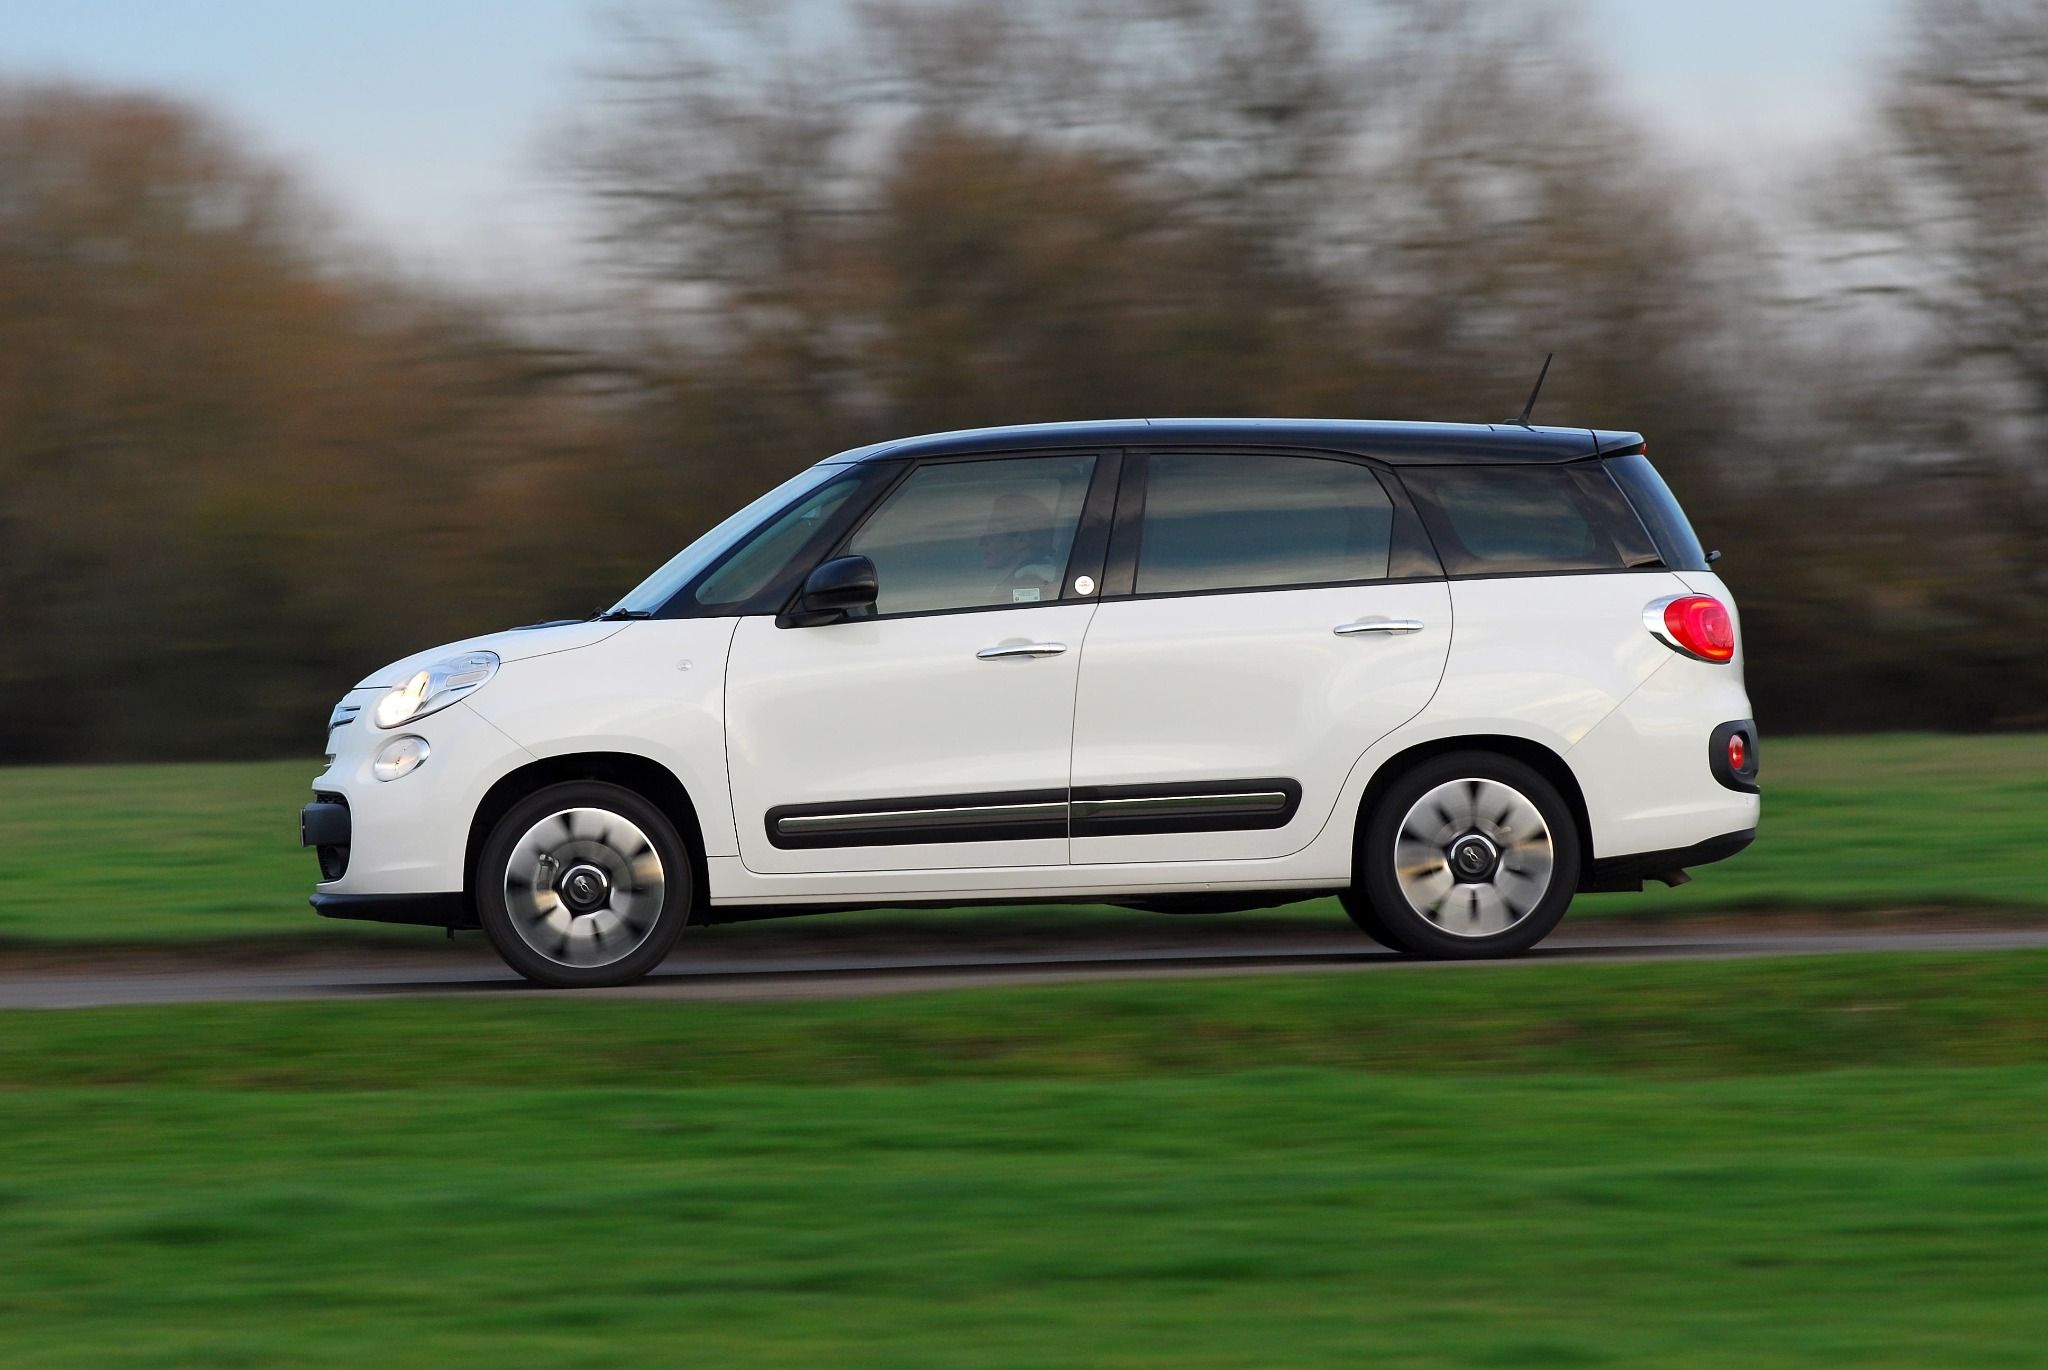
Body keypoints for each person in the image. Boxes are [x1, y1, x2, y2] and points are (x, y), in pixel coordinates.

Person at [979, 490, 1061, 602]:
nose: (982, 541)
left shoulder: (1026, 585)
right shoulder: (1049, 579)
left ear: (1021, 540)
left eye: (994, 531)